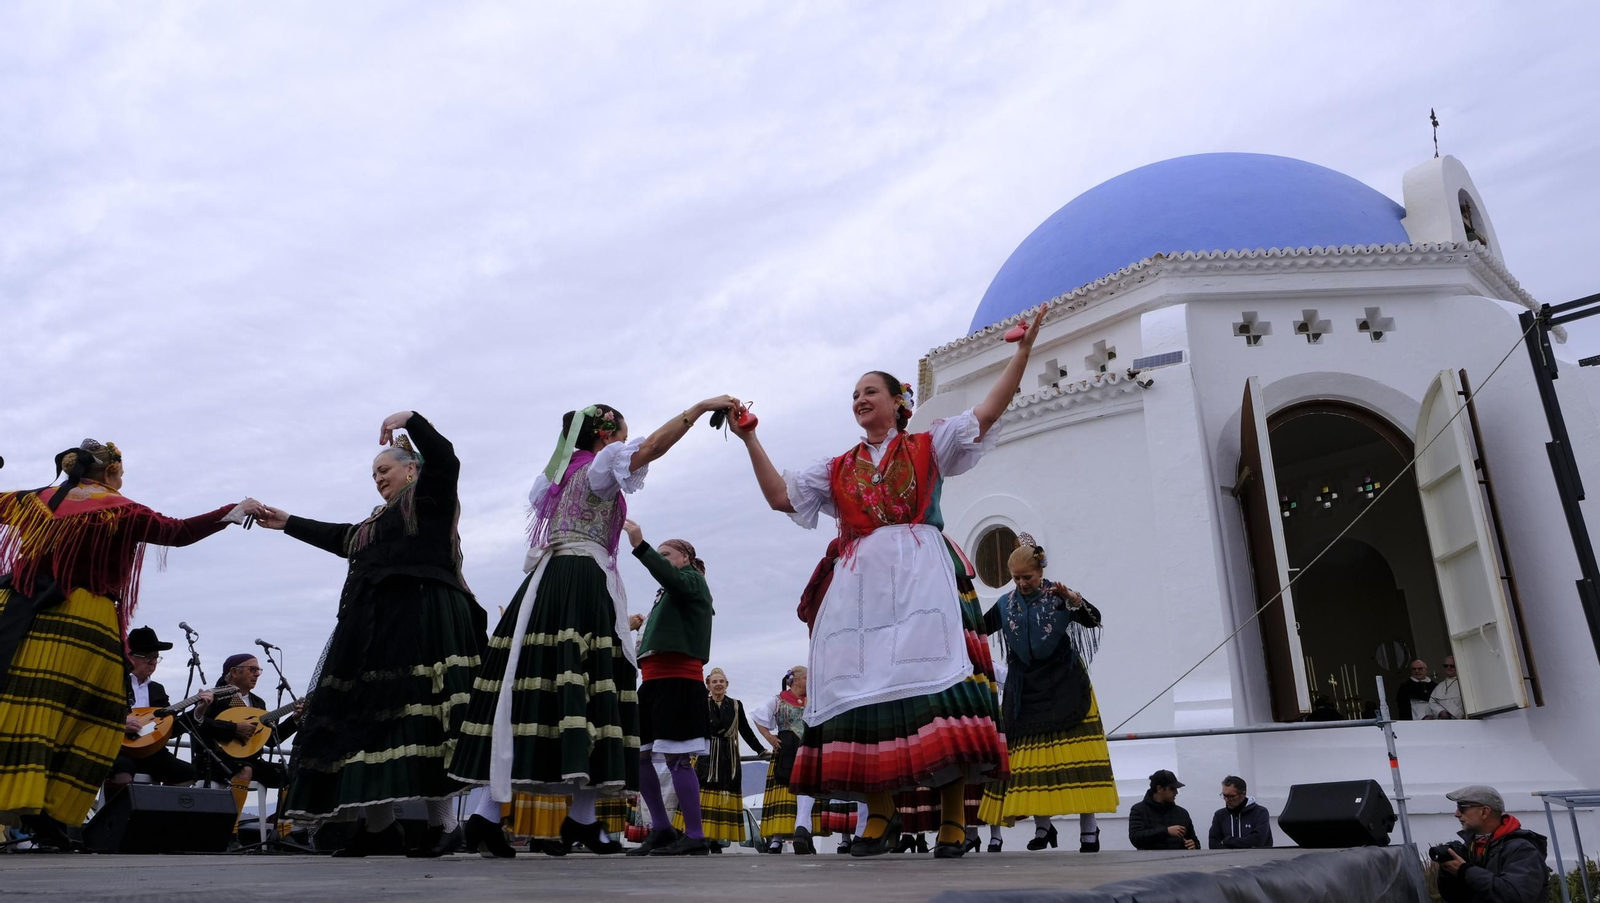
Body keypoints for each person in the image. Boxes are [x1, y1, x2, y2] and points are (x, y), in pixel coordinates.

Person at [731, 309, 1047, 859]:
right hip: (861, 592)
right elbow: (781, 497)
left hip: (926, 580)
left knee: (939, 694)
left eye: (869, 391)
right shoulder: (835, 467)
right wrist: (749, 439)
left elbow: (989, 412)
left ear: (898, 401)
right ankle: (880, 817)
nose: (859, 399)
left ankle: (952, 822)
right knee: (863, 695)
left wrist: (1020, 354)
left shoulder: (930, 445)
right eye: (854, 394)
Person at [451, 397, 741, 857]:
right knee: (592, 688)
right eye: (623, 435)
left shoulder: (556, 476)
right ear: (606, 436)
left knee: (535, 689)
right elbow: (656, 448)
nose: (628, 444)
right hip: (582, 579)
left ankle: (504, 816)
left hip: (547, 579)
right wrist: (700, 406)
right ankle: (559, 819)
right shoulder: (602, 465)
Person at [250, 411, 487, 858]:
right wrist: (288, 522)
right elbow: (344, 537)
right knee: (369, 722)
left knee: (422, 715)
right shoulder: (378, 522)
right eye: (373, 473)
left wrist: (412, 419)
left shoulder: (429, 498)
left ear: (411, 468)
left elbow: (447, 458)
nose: (378, 478)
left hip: (421, 616)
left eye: (385, 469)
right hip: (376, 626)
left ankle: (444, 824)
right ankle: (381, 828)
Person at [0, 440, 254, 848]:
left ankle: (30, 808)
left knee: (32, 712)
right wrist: (232, 512)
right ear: (111, 472)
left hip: (23, 617)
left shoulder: (36, 500)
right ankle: (49, 816)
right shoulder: (121, 509)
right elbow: (178, 531)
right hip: (88, 624)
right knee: (91, 722)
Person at [980, 537, 1116, 854]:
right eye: (1016, 578)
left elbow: (1095, 620)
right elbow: (976, 628)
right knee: (1030, 762)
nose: (1022, 583)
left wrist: (1074, 600)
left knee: (1076, 758)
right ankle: (1043, 828)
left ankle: (1089, 830)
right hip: (1024, 688)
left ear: (1040, 571)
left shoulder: (1059, 597)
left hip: (1065, 684)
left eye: (1027, 577)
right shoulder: (1006, 604)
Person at [620, 521, 717, 857]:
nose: (661, 559)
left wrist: (640, 545)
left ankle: (694, 834)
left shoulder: (692, 581)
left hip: (678, 680)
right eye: (658, 554)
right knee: (640, 756)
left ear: (686, 557)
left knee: (678, 759)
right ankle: (661, 828)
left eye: (667, 554)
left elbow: (671, 577)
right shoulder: (670, 593)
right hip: (652, 682)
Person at [195, 652, 302, 839]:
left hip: (250, 759)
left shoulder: (258, 703)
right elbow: (200, 725)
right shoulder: (214, 696)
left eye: (258, 670)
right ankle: (231, 833)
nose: (257, 674)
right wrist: (234, 728)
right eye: (252, 670)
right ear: (234, 672)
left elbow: (268, 739)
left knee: (290, 774)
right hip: (216, 759)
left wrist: (294, 719)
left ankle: (284, 834)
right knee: (245, 770)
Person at [106, 626, 211, 793]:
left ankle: (153, 814)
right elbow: (93, 711)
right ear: (130, 657)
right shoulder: (114, 681)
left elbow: (171, 728)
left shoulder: (157, 690)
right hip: (116, 747)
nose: (153, 662)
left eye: (156, 657)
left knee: (188, 774)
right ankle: (115, 817)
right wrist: (119, 723)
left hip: (150, 751)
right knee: (123, 772)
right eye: (147, 657)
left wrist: (198, 712)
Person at [1436, 784, 1550, 903]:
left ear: (1484, 812)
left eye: (1462, 807)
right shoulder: (1471, 846)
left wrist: (1466, 871)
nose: (1457, 813)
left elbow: (1514, 896)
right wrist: (1449, 871)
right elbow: (1454, 897)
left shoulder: (1522, 850)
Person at [696, 667, 766, 850]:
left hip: (729, 758)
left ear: (727, 685)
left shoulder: (736, 705)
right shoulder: (701, 704)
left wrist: (760, 751)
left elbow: (745, 730)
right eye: (714, 682)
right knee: (704, 797)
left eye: (721, 682)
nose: (718, 684)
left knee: (723, 798)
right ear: (708, 685)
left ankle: (718, 840)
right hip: (706, 756)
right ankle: (702, 837)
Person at [752, 667, 816, 854]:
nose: (808, 681)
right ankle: (776, 839)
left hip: (806, 748)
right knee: (782, 794)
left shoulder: (811, 701)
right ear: (795, 680)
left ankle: (805, 834)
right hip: (786, 750)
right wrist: (769, 737)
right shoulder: (778, 700)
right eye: (806, 678)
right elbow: (757, 716)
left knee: (805, 789)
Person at [1128, 770, 1197, 851]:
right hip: (1150, 862)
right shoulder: (1139, 810)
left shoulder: (1182, 813)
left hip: (1178, 862)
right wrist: (1166, 831)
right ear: (1159, 789)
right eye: (1172, 789)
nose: (1176, 792)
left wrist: (1194, 845)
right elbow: (1136, 838)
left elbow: (1194, 840)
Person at [1207, 776, 1273, 849]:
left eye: (1231, 796)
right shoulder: (1219, 815)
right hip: (1227, 859)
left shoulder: (1260, 812)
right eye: (1224, 795)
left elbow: (1257, 841)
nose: (1226, 799)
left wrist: (1227, 840)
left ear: (1243, 794)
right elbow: (1213, 843)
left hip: (1256, 859)